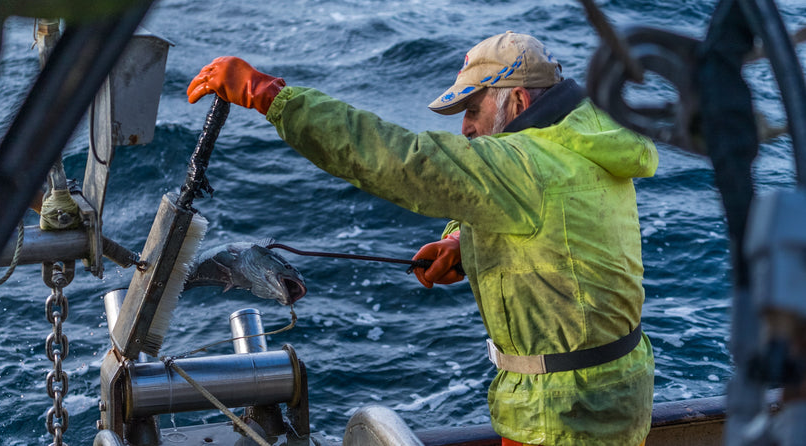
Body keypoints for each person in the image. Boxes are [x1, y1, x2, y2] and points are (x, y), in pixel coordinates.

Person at [187, 31, 657, 446]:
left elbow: (400, 160)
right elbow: (553, 232)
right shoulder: (579, 145)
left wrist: (273, 97)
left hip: (565, 418)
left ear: (517, 103)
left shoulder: (526, 164)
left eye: (473, 109)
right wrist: (462, 245)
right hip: (609, 397)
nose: (465, 127)